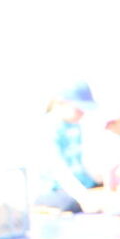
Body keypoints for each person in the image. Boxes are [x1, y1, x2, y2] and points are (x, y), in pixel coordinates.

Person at [35, 82, 103, 213]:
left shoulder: (74, 125)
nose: (82, 113)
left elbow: (79, 164)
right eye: (79, 109)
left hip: (78, 186)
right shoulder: (48, 128)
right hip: (55, 191)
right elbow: (59, 171)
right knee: (72, 204)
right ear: (61, 103)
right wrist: (84, 198)